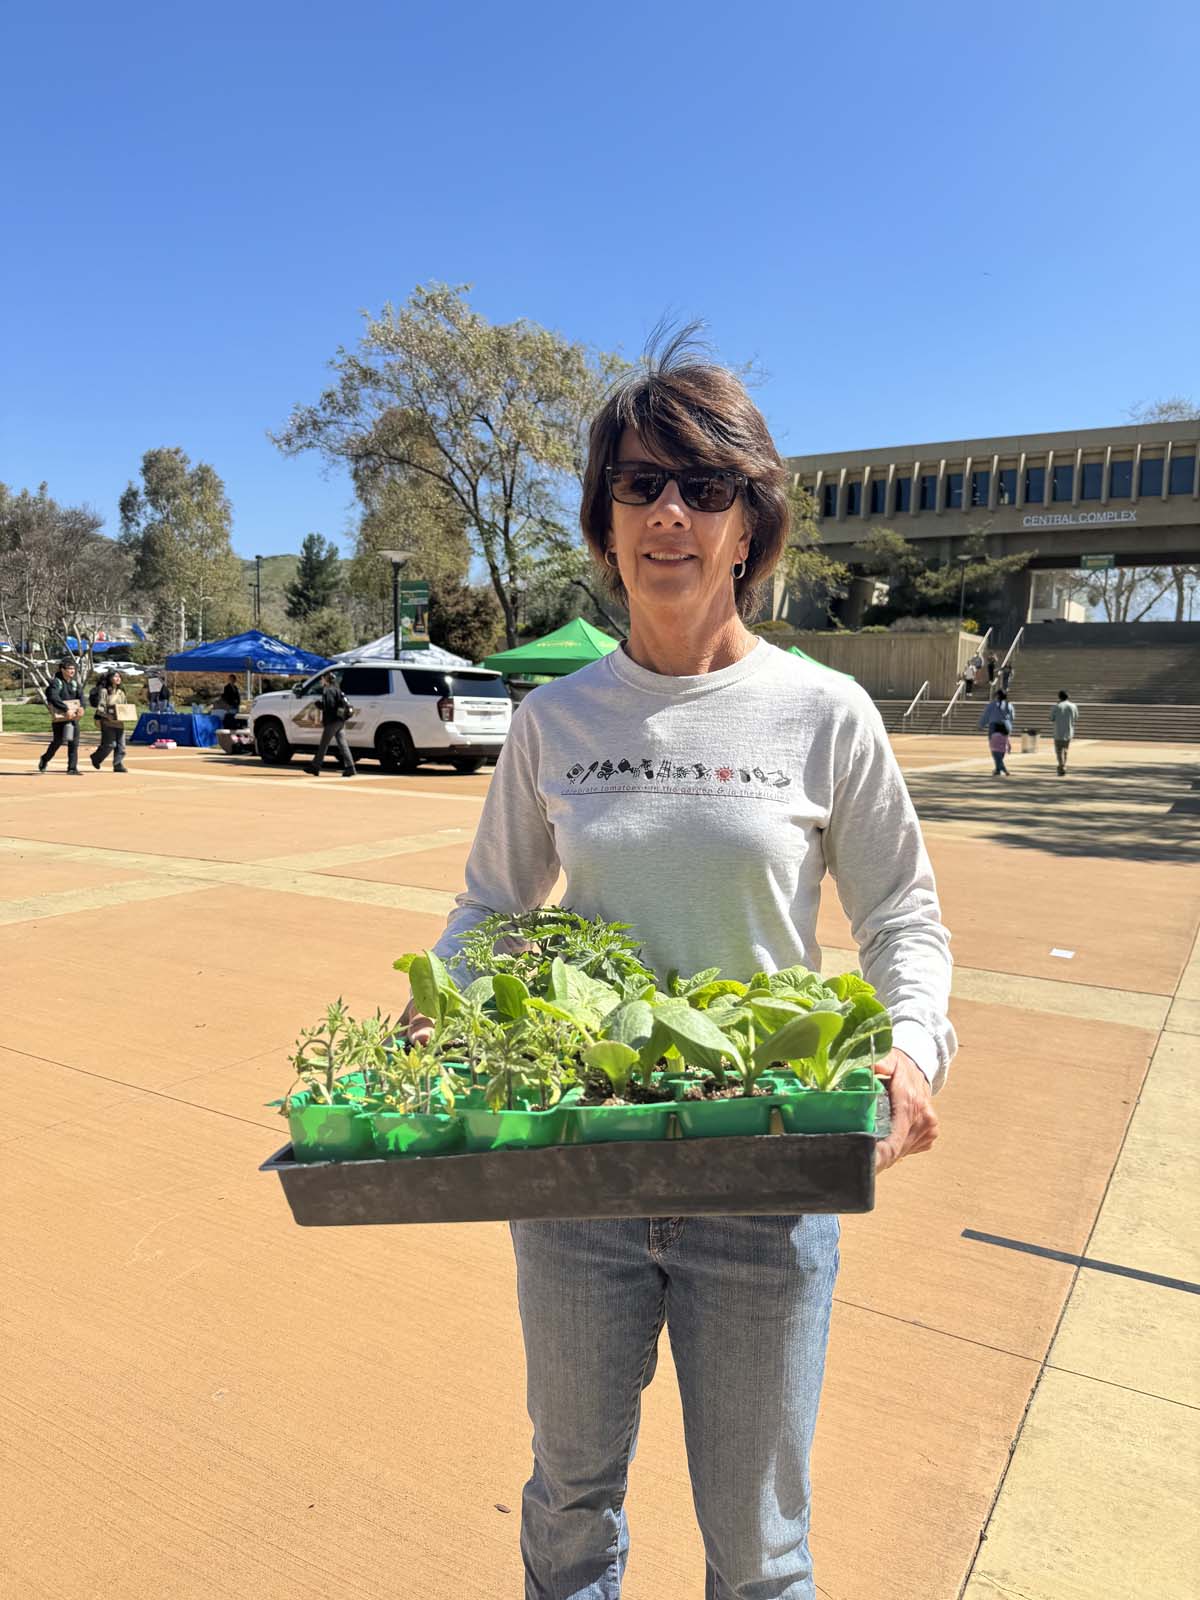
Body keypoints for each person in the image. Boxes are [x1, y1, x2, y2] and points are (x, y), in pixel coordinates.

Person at [401, 340, 954, 1599]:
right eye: (642, 482)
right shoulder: (555, 721)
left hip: (763, 1178)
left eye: (706, 490)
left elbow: (905, 920)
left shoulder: (825, 715)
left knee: (760, 1555)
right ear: (603, 517)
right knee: (568, 1509)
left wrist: (912, 1051)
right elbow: (490, 908)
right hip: (579, 1173)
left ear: (751, 528)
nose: (670, 514)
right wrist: (438, 1009)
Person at [303, 671, 355, 777]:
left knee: (323, 744)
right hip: (340, 720)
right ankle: (350, 768)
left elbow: (330, 707)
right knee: (343, 744)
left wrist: (320, 705)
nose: (321, 681)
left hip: (333, 721)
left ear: (326, 680)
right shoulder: (337, 689)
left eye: (322, 679)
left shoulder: (328, 690)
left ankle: (315, 767)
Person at [38, 660, 84, 774]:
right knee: (58, 741)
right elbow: (53, 697)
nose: (72, 671)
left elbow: (81, 696)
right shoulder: (56, 683)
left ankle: (72, 768)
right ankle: (45, 759)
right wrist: (65, 709)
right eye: (69, 668)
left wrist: (82, 707)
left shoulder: (74, 684)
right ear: (62, 670)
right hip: (60, 717)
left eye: (73, 669)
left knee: (74, 742)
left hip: (73, 717)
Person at [91, 670, 130, 773]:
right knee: (110, 744)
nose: (118, 679)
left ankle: (118, 764)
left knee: (121, 745)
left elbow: (125, 706)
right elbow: (101, 707)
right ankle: (96, 757)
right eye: (115, 676)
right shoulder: (104, 691)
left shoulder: (121, 692)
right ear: (109, 678)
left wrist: (127, 714)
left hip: (119, 722)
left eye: (119, 677)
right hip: (107, 722)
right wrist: (106, 715)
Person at [1049, 689, 1078, 776]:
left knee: (1058, 751)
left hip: (1058, 732)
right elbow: (1076, 717)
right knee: (1065, 750)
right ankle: (1063, 765)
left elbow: (1051, 718)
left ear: (1059, 697)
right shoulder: (1073, 706)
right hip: (1068, 731)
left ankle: (1061, 766)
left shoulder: (1056, 706)